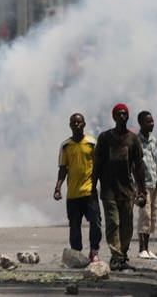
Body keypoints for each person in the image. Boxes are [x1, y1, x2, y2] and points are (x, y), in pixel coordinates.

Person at [92, 103, 147, 271]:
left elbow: (138, 166)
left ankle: (122, 255)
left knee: (126, 225)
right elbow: (97, 164)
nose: (122, 116)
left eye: (125, 114)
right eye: (119, 114)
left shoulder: (133, 139)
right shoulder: (104, 138)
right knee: (113, 222)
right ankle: (116, 256)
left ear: (128, 116)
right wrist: (93, 186)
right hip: (108, 189)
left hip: (127, 190)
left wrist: (142, 190)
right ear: (114, 117)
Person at [53, 113, 102, 263]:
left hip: (89, 192)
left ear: (84, 124)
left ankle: (94, 251)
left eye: (79, 122)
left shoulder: (92, 143)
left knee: (96, 222)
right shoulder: (65, 146)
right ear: (70, 125)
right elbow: (63, 169)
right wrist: (57, 188)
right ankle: (77, 253)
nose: (76, 125)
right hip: (73, 194)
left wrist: (98, 185)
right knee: (74, 226)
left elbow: (98, 167)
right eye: (73, 123)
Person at [136, 111, 157, 260]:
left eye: (152, 121)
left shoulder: (153, 140)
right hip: (142, 184)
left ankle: (147, 248)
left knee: (152, 216)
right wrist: (137, 188)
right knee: (145, 216)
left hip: (154, 183)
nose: (152, 124)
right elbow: (134, 165)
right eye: (148, 122)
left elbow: (155, 163)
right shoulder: (136, 141)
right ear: (141, 123)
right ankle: (141, 248)